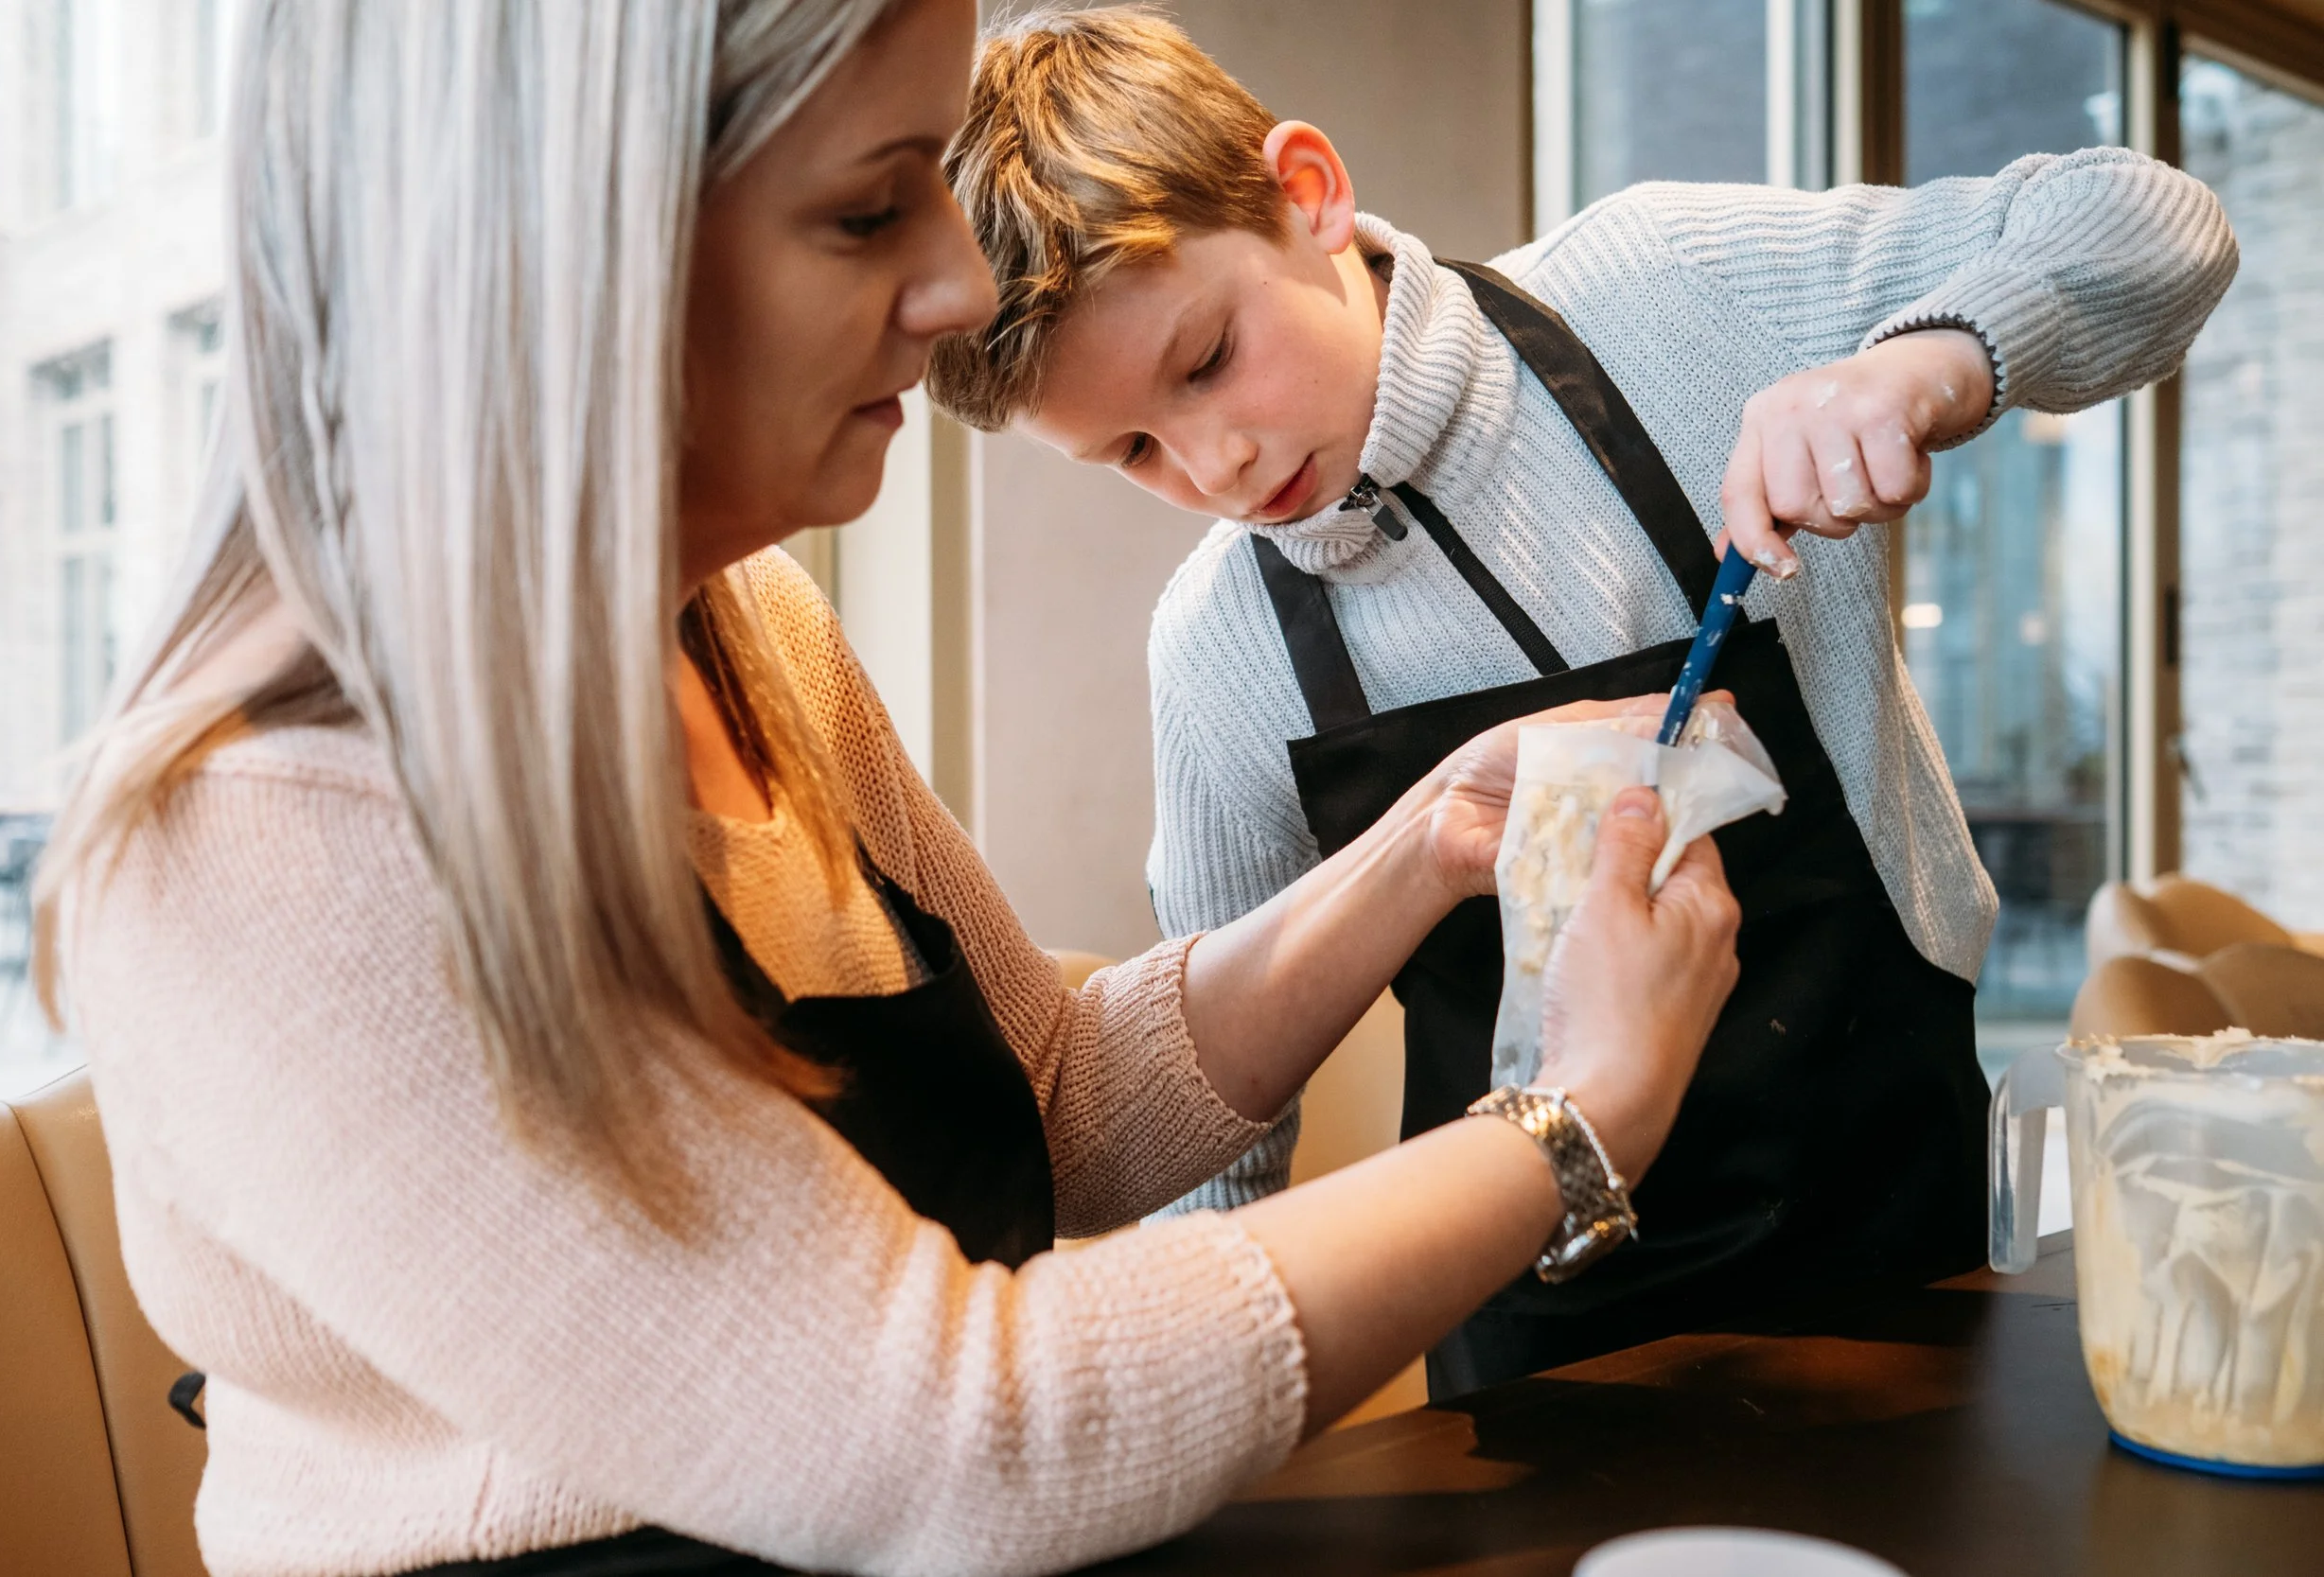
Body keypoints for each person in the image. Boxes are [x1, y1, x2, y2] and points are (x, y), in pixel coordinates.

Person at [36, 4, 1740, 1574]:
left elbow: (1058, 1098)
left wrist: (1419, 845)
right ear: (555, 261)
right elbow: (957, 1441)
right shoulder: (250, 835)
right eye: (868, 213)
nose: (959, 291)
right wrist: (1572, 1123)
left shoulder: (750, 626)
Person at [924, 7, 2240, 1398]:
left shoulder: (1660, 291)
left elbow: (2154, 222)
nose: (1218, 462)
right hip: (1534, 1356)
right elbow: (1222, 1135)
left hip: (1906, 1254)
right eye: (1133, 447)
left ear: (1308, 192)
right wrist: (1220, 1435)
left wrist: (1925, 364)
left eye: (1205, 361)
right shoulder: (1218, 648)